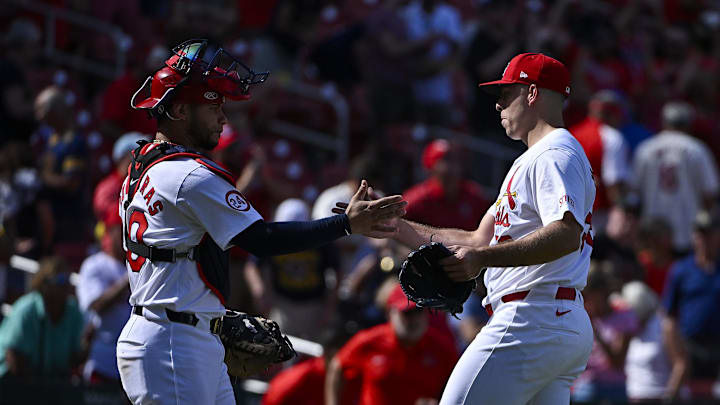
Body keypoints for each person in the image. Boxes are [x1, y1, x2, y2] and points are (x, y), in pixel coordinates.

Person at [116, 39, 407, 405]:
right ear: (177, 110)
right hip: (173, 340)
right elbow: (263, 239)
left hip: (181, 331)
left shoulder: (144, 167)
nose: (223, 117)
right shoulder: (188, 175)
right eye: (213, 105)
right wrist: (345, 225)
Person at [349, 53, 597, 405]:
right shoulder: (535, 158)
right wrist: (394, 226)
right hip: (553, 320)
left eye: (504, 94)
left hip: (532, 318)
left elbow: (565, 234)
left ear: (531, 93)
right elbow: (476, 239)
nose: (497, 105)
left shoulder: (553, 154)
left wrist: (481, 258)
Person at [325, 283, 458, 405]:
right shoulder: (369, 341)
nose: (413, 320)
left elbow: (459, 385)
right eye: (407, 313)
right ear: (390, 314)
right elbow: (337, 365)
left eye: (418, 311)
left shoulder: (441, 347)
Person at [632, 101, 720, 255]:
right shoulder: (697, 149)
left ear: (664, 122)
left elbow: (633, 190)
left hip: (653, 231)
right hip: (688, 229)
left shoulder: (646, 148)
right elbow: (710, 193)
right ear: (688, 123)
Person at [0, 257, 85, 379]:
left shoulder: (73, 311)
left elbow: (73, 359)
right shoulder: (26, 310)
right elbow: (13, 360)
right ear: (45, 284)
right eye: (60, 280)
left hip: (49, 386)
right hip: (11, 382)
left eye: (67, 279)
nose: (66, 285)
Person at [662, 210, 720, 385]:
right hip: (690, 348)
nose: (705, 240)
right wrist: (678, 358)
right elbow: (669, 317)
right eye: (701, 234)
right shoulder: (681, 270)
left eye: (710, 234)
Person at [572, 262, 639, 405]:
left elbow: (618, 361)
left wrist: (596, 332)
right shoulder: (580, 315)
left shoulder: (625, 317)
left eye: (589, 295)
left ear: (602, 292)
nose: (586, 301)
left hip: (615, 389)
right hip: (585, 386)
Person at [76, 209, 130, 384]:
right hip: (103, 361)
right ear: (109, 231)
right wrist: (128, 280)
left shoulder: (131, 267)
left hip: (131, 363)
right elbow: (96, 304)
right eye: (121, 229)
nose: (126, 235)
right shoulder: (94, 265)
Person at [402, 139, 489, 230]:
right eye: (445, 159)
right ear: (431, 166)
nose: (451, 166)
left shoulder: (474, 195)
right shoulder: (417, 199)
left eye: (455, 158)